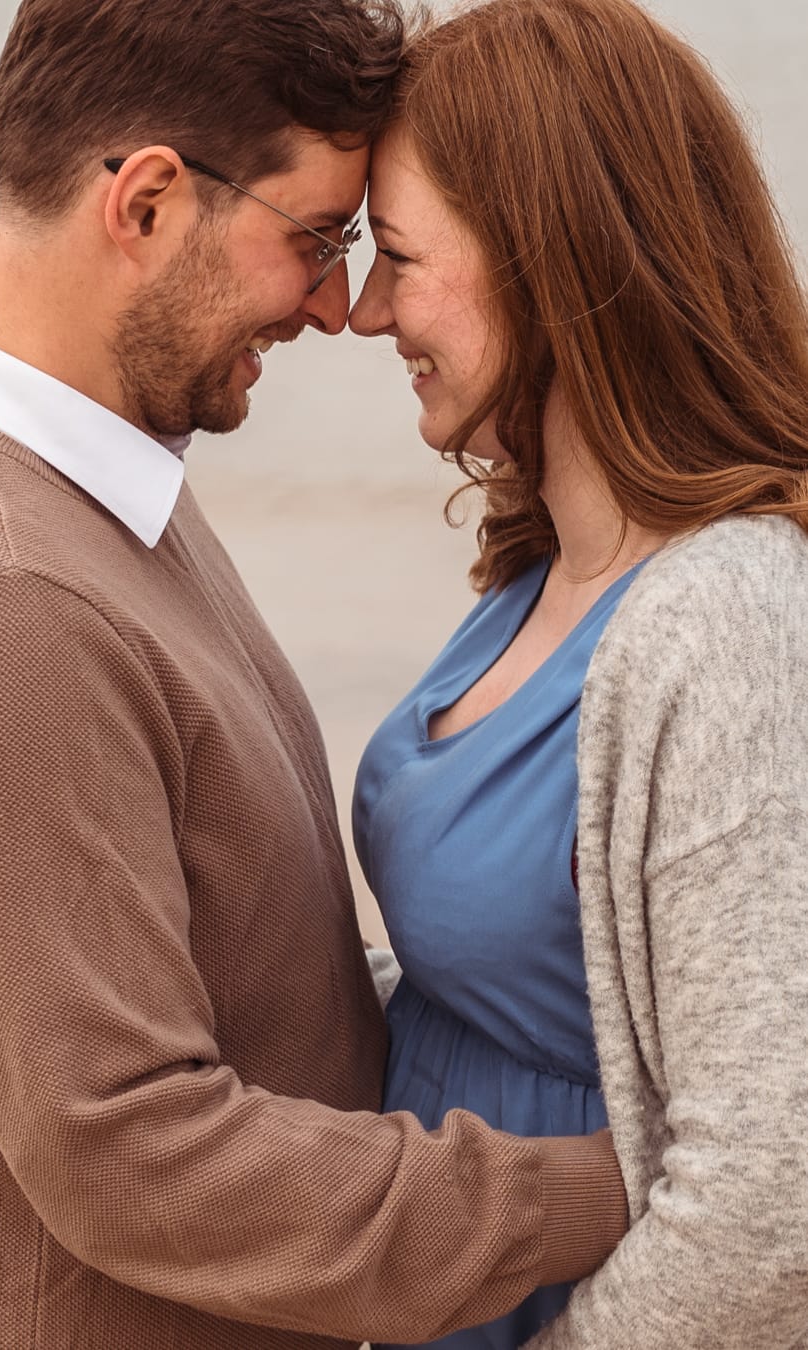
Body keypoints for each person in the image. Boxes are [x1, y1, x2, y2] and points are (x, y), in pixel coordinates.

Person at [0, 1, 631, 1347]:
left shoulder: (86, 484)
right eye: (313, 240)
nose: (335, 305)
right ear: (145, 202)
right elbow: (135, 1150)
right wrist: (610, 1184)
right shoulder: (5, 602)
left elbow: (231, 964)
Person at [349, 0, 808, 1345]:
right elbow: (491, 987)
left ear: (548, 261)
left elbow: (766, 1202)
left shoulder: (724, 619)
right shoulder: (537, 570)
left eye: (399, 257)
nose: (365, 311)